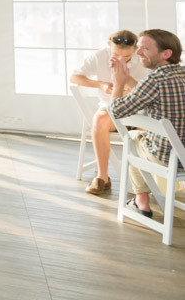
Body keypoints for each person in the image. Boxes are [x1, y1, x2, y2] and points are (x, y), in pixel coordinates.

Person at [109, 29, 185, 217]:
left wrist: (119, 84)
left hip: (170, 158)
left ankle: (141, 200)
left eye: (145, 48)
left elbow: (117, 110)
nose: (138, 52)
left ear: (166, 54)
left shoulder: (155, 80)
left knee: (132, 137)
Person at [70, 30, 149, 195]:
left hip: (139, 110)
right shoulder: (100, 56)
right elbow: (74, 78)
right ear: (109, 47)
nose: (121, 59)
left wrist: (126, 87)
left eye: (126, 57)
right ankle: (102, 177)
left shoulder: (144, 59)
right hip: (110, 110)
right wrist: (100, 85)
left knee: (148, 128)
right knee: (99, 119)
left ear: (135, 50)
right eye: (116, 54)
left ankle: (144, 183)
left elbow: (148, 92)